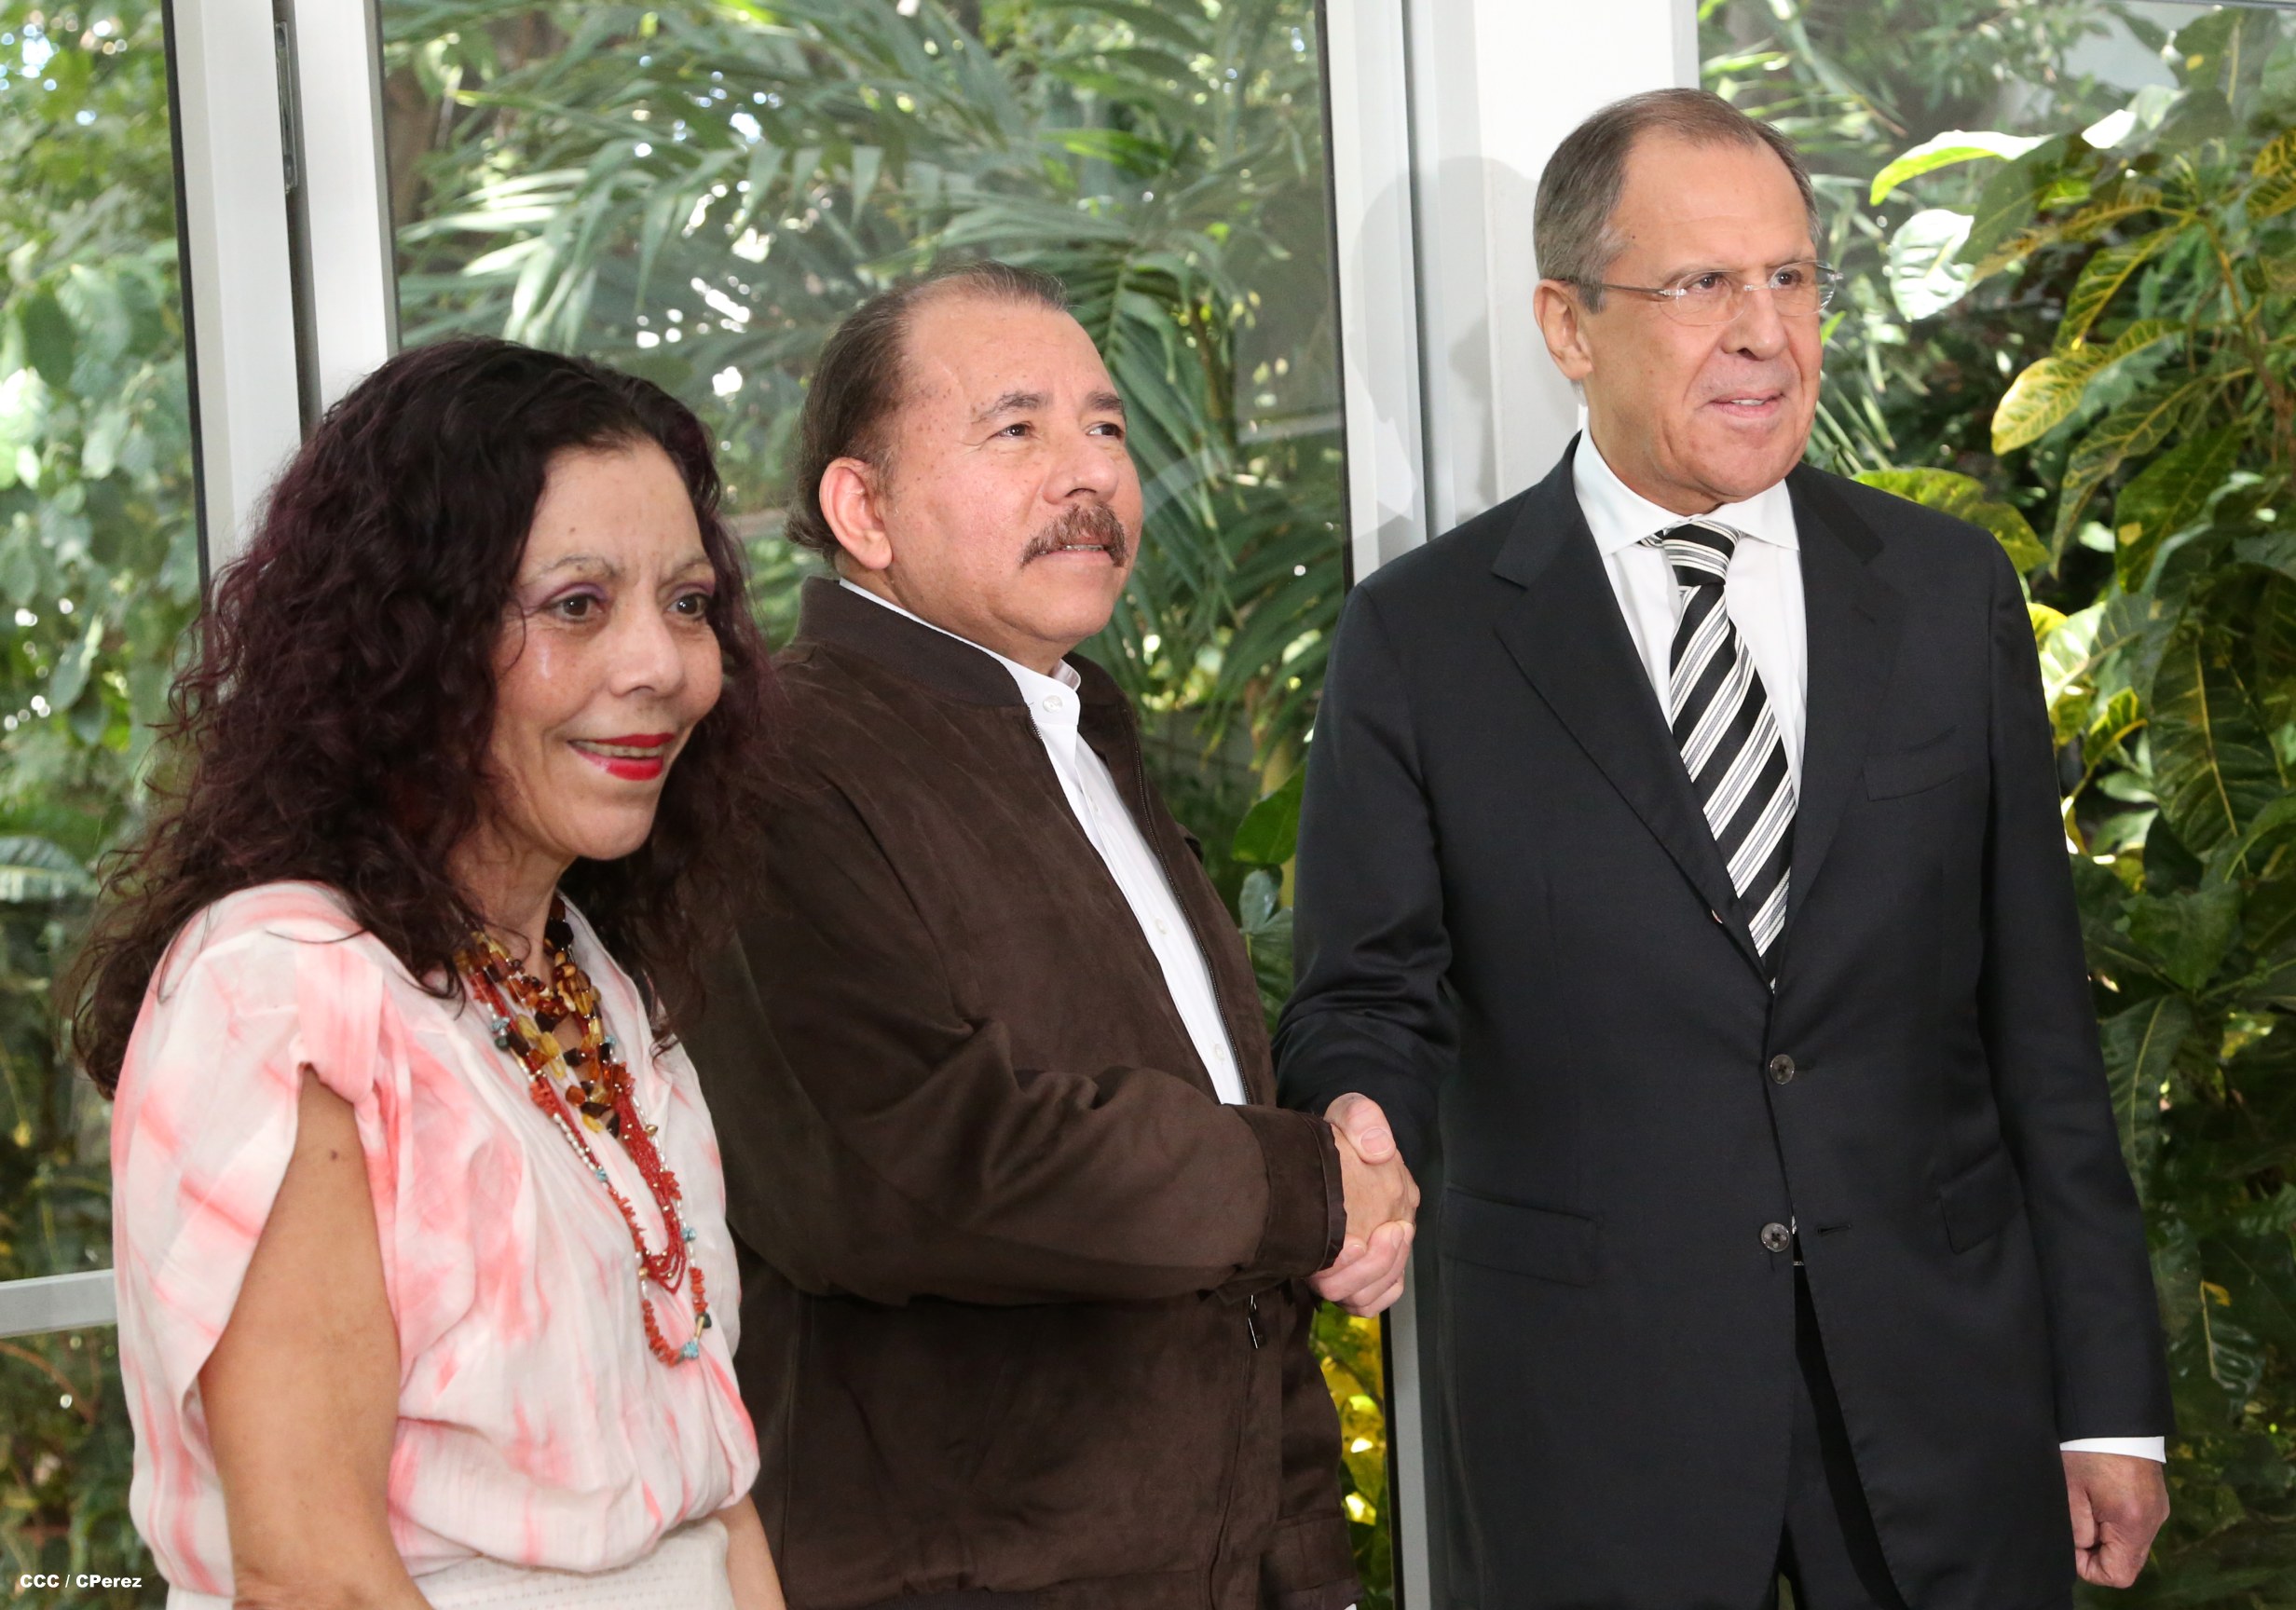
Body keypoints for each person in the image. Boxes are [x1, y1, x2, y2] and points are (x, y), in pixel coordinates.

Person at [1276, 89, 2174, 1610]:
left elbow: (2041, 1030)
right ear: (1568, 325)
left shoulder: (1947, 594)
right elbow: (1368, 989)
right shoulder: (1422, 636)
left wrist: (2109, 1401)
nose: (1765, 333)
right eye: (1703, 284)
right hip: (1593, 1421)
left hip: (1941, 1404)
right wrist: (1358, 1125)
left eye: (1792, 277)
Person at [680, 259, 1411, 1610]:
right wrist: (1308, 1187)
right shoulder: (777, 764)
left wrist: (1338, 1194)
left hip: (1241, 1551)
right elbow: (906, 1169)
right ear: (862, 510)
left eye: (1106, 426)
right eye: (1016, 428)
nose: (1089, 474)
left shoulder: (1078, 729)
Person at [76, 338, 786, 1608]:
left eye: (688, 604)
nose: (661, 666)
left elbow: (710, 1482)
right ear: (407, 642)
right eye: (578, 605)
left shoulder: (586, 979)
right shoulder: (287, 990)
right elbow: (315, 1575)